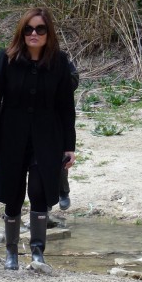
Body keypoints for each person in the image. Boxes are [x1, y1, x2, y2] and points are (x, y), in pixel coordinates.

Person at [0, 7, 76, 270]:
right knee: (12, 193)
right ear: (21, 32)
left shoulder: (59, 62)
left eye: (40, 29)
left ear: (49, 33)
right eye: (29, 29)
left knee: (39, 190)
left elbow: (67, 107)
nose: (34, 34)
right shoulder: (7, 59)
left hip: (47, 137)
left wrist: (70, 147)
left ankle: (37, 252)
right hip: (9, 136)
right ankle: (11, 253)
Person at [58, 62, 79, 210]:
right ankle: (43, 203)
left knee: (60, 159)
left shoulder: (61, 59)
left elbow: (74, 81)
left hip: (57, 118)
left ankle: (63, 192)